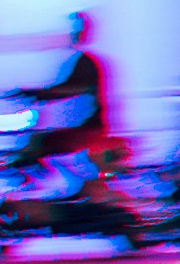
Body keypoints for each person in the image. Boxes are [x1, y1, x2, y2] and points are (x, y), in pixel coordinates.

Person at [19, 11, 120, 171]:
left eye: (75, 29)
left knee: (38, 145)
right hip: (84, 127)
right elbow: (67, 89)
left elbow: (72, 89)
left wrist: (38, 94)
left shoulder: (87, 62)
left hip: (88, 130)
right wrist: (38, 94)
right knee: (37, 145)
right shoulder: (81, 60)